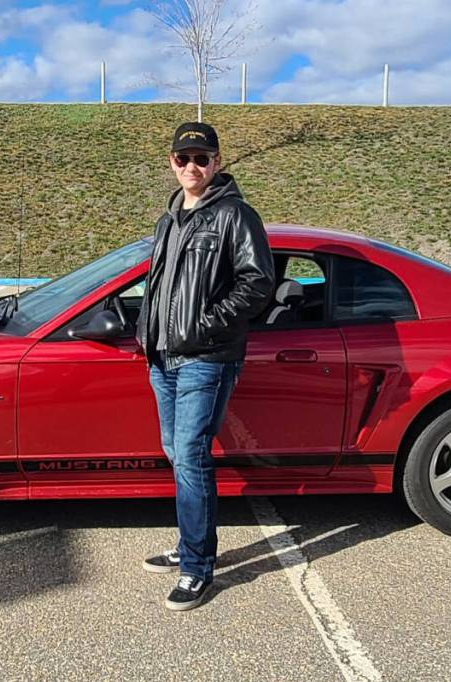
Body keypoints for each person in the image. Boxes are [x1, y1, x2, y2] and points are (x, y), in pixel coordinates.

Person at [135, 121, 275, 611]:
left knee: (192, 456)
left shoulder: (236, 215)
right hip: (163, 357)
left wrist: (205, 324)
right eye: (183, 158)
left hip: (205, 358)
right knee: (177, 452)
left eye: (201, 158)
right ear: (171, 162)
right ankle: (189, 543)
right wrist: (147, 331)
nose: (191, 166)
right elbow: (159, 285)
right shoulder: (170, 219)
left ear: (217, 162)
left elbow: (258, 283)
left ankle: (197, 567)